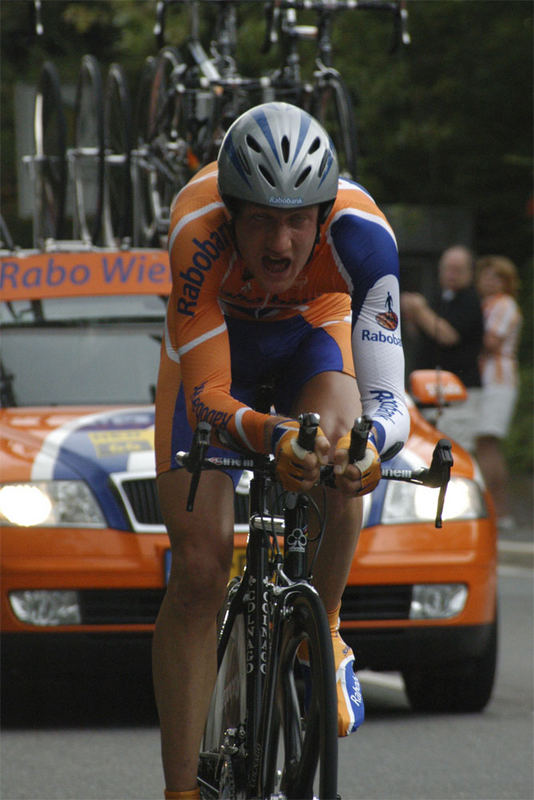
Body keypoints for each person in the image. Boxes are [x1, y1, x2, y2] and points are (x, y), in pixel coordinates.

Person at [153, 102, 410, 798]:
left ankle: (323, 629)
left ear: (324, 215)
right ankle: (180, 789)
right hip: (216, 350)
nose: (282, 240)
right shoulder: (195, 230)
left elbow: (389, 402)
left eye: (300, 219)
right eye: (262, 218)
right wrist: (271, 434)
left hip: (309, 334)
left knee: (340, 455)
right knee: (202, 567)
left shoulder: (365, 238)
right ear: (231, 213)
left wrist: (369, 447)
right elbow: (207, 398)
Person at [400, 244, 484, 450]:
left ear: (470, 273)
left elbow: (448, 336)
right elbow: (424, 336)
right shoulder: (439, 297)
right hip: (430, 391)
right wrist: (413, 317)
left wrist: (420, 310)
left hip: (458, 393)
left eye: (457, 270)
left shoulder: (471, 300)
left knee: (455, 449)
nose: (451, 275)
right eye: (447, 269)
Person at [474, 255, 522, 529]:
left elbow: (491, 341)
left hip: (498, 378)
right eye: (486, 275)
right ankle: (494, 509)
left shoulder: (504, 304)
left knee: (488, 442)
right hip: (487, 377)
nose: (490, 281)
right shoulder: (488, 304)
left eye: (496, 277)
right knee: (483, 443)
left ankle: (500, 511)